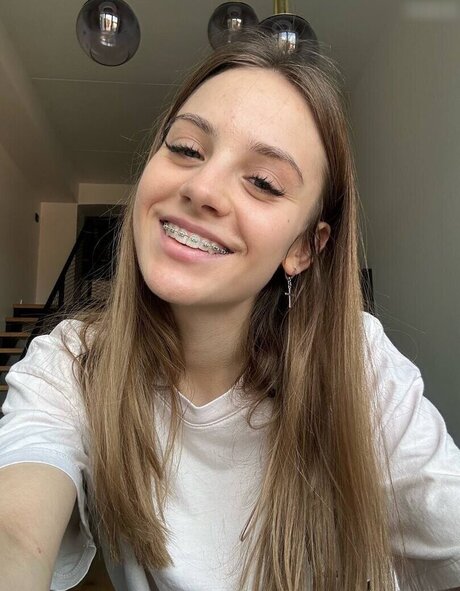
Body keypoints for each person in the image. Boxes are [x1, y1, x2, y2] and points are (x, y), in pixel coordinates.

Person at [0, 31, 459, 591]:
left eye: (263, 182)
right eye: (186, 148)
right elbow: (14, 533)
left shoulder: (356, 362)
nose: (203, 188)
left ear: (303, 248)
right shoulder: (73, 364)